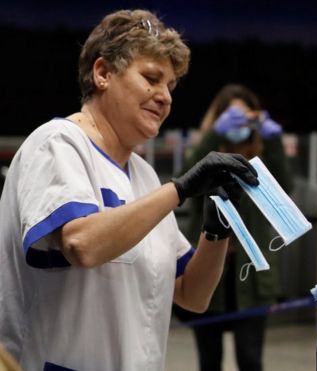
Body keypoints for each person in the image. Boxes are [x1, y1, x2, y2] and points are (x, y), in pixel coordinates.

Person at [0, 10, 260, 371]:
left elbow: (192, 294)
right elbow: (83, 244)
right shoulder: (57, 144)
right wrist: (181, 189)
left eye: (170, 86)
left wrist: (215, 230)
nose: (165, 97)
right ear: (103, 73)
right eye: (151, 79)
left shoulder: (143, 175)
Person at [174, 84, 292, 371]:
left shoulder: (259, 161)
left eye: (245, 117)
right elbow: (183, 185)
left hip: (249, 276)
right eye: (231, 118)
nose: (239, 125)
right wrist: (213, 135)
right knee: (209, 360)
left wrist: (274, 143)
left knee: (250, 359)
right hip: (208, 269)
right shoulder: (205, 160)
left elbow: (286, 189)